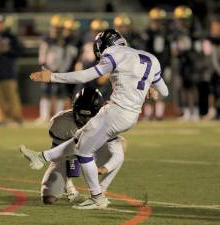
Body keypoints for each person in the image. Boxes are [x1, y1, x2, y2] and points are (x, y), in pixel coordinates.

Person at [21, 29, 168, 209]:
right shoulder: (150, 57)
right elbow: (164, 91)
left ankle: (97, 197)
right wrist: (148, 89)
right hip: (131, 115)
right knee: (81, 138)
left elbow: (86, 75)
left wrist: (52, 77)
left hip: (117, 111)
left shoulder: (114, 53)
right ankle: (41, 157)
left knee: (83, 151)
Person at [41, 87, 125, 205]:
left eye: (89, 116)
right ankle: (69, 188)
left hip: (96, 152)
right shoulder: (61, 123)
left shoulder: (108, 120)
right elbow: (59, 156)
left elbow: (118, 155)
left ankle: (101, 189)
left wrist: (104, 169)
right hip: (68, 155)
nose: (85, 120)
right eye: (82, 115)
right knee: (48, 198)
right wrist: (69, 185)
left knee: (120, 145)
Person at [142, 7, 171, 120]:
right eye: (156, 20)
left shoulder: (165, 33)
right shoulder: (147, 32)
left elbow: (168, 51)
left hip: (161, 64)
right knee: (147, 89)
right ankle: (148, 114)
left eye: (159, 20)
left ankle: (159, 114)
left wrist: (168, 65)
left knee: (160, 88)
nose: (157, 22)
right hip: (148, 64)